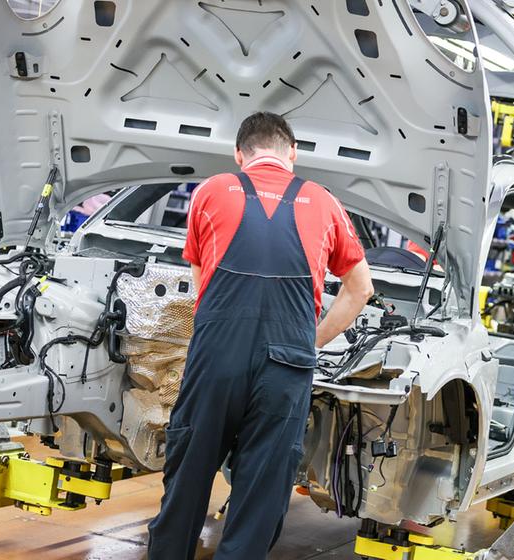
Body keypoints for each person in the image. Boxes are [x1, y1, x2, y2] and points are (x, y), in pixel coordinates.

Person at [148, 112, 373, 560]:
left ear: (239, 154)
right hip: (288, 361)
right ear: (292, 152)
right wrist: (309, 343)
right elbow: (361, 289)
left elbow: (201, 279)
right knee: (262, 488)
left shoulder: (209, 191)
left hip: (217, 355)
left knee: (189, 471)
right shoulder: (324, 201)